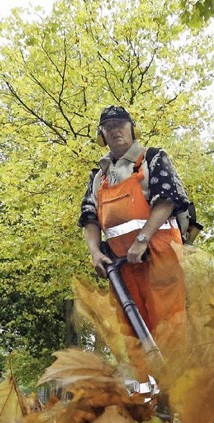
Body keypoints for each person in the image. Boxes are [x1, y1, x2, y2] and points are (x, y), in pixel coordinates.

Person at [79, 105, 189, 388]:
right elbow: (89, 218)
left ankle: (178, 397)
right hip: (121, 267)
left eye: (120, 124)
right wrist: (95, 252)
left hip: (160, 259)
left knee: (169, 326)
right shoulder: (98, 177)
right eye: (108, 127)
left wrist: (142, 241)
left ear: (132, 128)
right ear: (101, 135)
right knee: (132, 332)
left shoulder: (152, 159)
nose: (115, 130)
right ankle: (147, 397)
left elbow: (167, 200)